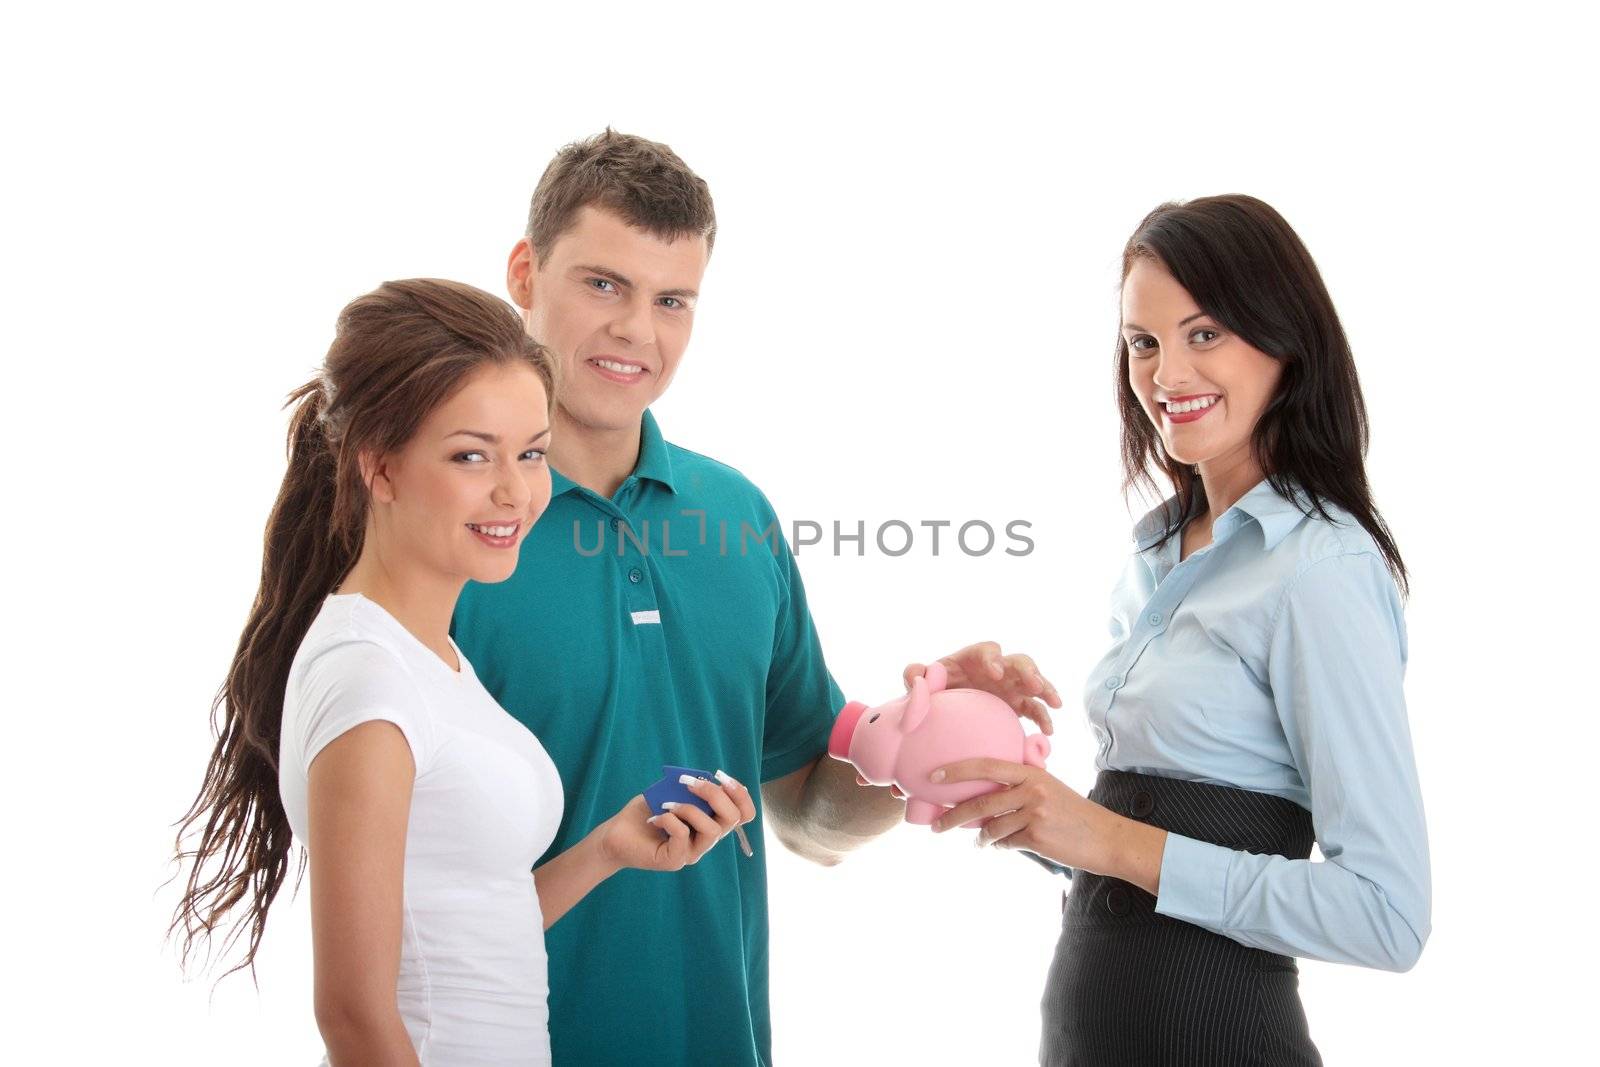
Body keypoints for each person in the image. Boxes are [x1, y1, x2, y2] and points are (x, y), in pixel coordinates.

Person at [450, 129, 1060, 1066]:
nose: (636, 332)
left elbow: (809, 822)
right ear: (525, 273)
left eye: (672, 301)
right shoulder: (443, 523)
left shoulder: (736, 519)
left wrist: (915, 736)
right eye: (603, 284)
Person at [169, 279, 755, 1066]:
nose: (515, 491)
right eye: (471, 455)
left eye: (532, 453)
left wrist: (609, 848)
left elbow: (469, 938)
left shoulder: (429, 656)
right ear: (378, 467)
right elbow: (354, 1016)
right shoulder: (370, 684)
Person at [921, 195, 1431, 1065]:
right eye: (1143, 342)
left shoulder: (1320, 569)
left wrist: (1112, 838)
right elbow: (1133, 861)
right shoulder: (1158, 546)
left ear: (1283, 340)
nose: (1164, 375)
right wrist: (1008, 778)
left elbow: (1388, 914)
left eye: (1204, 335)